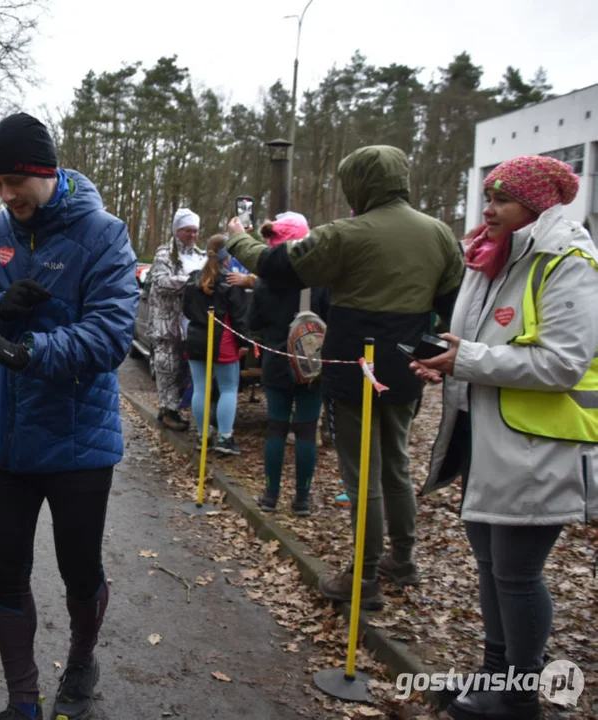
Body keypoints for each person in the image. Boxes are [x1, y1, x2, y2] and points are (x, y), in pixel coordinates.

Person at [0, 112, 138, 720]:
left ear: (48, 172)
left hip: (78, 442)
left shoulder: (104, 235)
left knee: (79, 571)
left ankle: (82, 660)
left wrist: (28, 351)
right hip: (2, 441)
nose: (6, 195)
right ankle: (22, 699)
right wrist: (0, 311)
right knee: (4, 571)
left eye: (15, 181)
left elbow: (110, 337)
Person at [224, 145, 464, 610]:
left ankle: (365, 576)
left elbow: (278, 267)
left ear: (358, 183)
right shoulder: (440, 235)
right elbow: (452, 309)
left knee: (362, 476)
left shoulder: (347, 234)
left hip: (355, 369)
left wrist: (238, 238)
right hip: (408, 368)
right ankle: (403, 559)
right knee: (396, 463)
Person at [413, 156, 598, 720]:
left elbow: (563, 363)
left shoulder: (568, 261)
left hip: (540, 447)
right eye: (487, 197)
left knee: (517, 572)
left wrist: (465, 358)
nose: (487, 209)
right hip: (489, 441)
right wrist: (449, 357)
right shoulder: (492, 255)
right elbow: (481, 342)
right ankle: (493, 676)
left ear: (536, 207)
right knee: (492, 565)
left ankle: (518, 697)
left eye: (502, 200)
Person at [246, 213, 330, 516]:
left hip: (277, 361)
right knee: (306, 431)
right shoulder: (319, 279)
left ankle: (270, 497)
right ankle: (302, 500)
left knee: (276, 427)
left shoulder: (265, 281)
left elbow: (252, 321)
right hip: (312, 365)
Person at [183, 234, 252, 455]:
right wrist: (244, 342)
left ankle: (203, 436)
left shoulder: (193, 279)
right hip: (224, 339)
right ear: (227, 255)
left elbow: (186, 310)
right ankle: (225, 437)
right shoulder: (231, 281)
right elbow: (240, 316)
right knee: (228, 388)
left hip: (195, 338)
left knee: (200, 388)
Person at [148, 208, 206, 430]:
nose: (192, 235)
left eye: (195, 231)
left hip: (192, 324)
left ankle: (175, 408)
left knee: (183, 370)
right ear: (177, 230)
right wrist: (191, 282)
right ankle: (167, 409)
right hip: (167, 323)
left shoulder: (200, 255)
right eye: (187, 231)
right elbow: (161, 282)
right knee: (167, 367)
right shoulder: (164, 254)